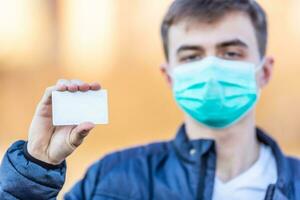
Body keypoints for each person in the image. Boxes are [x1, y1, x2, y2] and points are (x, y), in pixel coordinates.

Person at [1, 0, 300, 199]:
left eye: (231, 53)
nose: (210, 69)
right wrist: (37, 164)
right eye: (192, 56)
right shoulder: (112, 182)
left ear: (264, 71)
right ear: (169, 75)